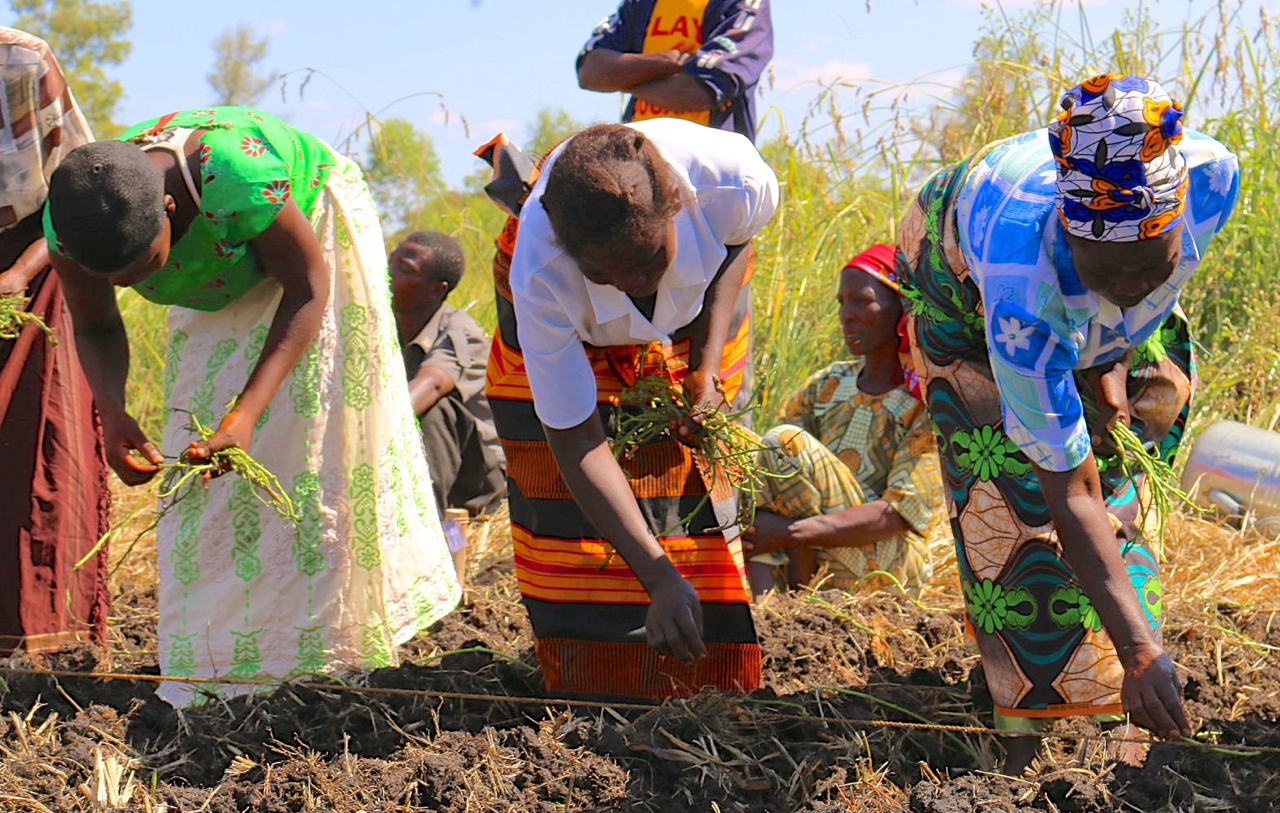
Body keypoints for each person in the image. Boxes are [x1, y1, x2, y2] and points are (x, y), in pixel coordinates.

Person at [46, 106, 460, 707]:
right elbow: (98, 326)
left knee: (317, 445)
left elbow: (309, 287)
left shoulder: (229, 171)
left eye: (141, 268)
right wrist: (110, 410)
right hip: (224, 270)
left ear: (169, 209)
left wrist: (243, 416)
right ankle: (226, 663)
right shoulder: (74, 227)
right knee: (204, 476)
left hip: (310, 236)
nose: (125, 285)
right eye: (112, 275)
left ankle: (336, 657)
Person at [896, 75, 1239, 773]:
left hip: (1074, 315)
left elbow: (1138, 291)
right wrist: (1139, 651)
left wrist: (1110, 359)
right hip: (957, 278)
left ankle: (1123, 708)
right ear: (1068, 238)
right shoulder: (1021, 292)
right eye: (1105, 269)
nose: (1131, 283)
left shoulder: (1211, 181)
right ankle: (1024, 731)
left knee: (1133, 449)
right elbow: (1069, 492)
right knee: (1010, 502)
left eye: (1151, 261)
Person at [483, 120, 777, 698]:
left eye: (646, 262)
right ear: (570, 253)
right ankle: (594, 684)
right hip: (573, 338)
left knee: (689, 472)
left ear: (674, 209)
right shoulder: (539, 275)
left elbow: (737, 247)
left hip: (699, 314)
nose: (628, 284)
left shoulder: (731, 181)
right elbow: (575, 440)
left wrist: (705, 366)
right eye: (603, 275)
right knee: (562, 504)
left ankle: (711, 683)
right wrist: (657, 577)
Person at [743, 245, 944, 597]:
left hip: (890, 565)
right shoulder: (829, 384)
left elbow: (900, 513)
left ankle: (793, 600)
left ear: (902, 308)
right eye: (842, 302)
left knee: (785, 442)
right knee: (758, 458)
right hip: (820, 550)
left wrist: (788, 532)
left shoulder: (926, 401)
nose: (846, 315)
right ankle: (770, 614)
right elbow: (769, 467)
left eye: (861, 300)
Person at [0, 28, 108, 653]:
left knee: (35, 455)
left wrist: (18, 273)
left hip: (32, 271)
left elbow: (76, 200)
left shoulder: (21, 62)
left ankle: (40, 640)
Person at [390, 230, 505, 518]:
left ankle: (427, 527)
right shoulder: (380, 325)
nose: (386, 273)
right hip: (414, 457)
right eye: (391, 261)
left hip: (480, 483)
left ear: (435, 290)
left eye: (404, 270)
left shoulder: (458, 330)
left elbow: (430, 386)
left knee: (433, 410)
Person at [576, 0, 773, 142]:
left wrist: (624, 80)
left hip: (712, 172)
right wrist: (669, 60)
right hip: (638, 164)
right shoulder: (639, 4)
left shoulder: (742, 4)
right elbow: (590, 72)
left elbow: (698, 91)